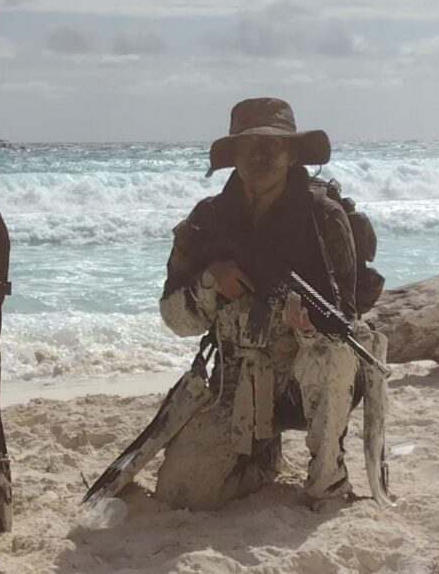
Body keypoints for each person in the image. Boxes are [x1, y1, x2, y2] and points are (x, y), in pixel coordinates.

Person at [154, 97, 386, 510]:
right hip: (236, 384)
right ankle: (259, 458)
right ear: (234, 156)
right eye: (249, 146)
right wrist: (211, 283)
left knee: (333, 348)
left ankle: (328, 479)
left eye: (274, 145)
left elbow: (346, 313)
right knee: (182, 494)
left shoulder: (324, 218)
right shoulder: (208, 220)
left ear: (294, 152)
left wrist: (307, 327)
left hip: (304, 384)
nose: (260, 155)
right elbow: (174, 318)